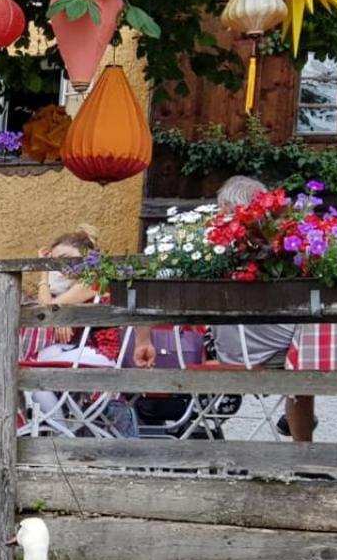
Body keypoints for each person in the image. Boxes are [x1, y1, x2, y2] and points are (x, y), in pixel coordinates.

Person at [130, 174, 315, 441]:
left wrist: (142, 340)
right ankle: (304, 451)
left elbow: (146, 285)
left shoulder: (201, 248)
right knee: (323, 347)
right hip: (272, 350)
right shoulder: (279, 244)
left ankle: (301, 439)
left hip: (232, 350)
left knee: (316, 350)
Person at [25, 226, 137, 438]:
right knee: (30, 362)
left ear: (86, 256)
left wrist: (44, 272)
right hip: (83, 349)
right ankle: (58, 427)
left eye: (68, 258)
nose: (63, 266)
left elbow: (45, 310)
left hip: (103, 353)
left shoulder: (92, 281)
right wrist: (60, 314)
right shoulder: (77, 284)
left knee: (31, 370)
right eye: (57, 261)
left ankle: (59, 431)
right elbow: (51, 311)